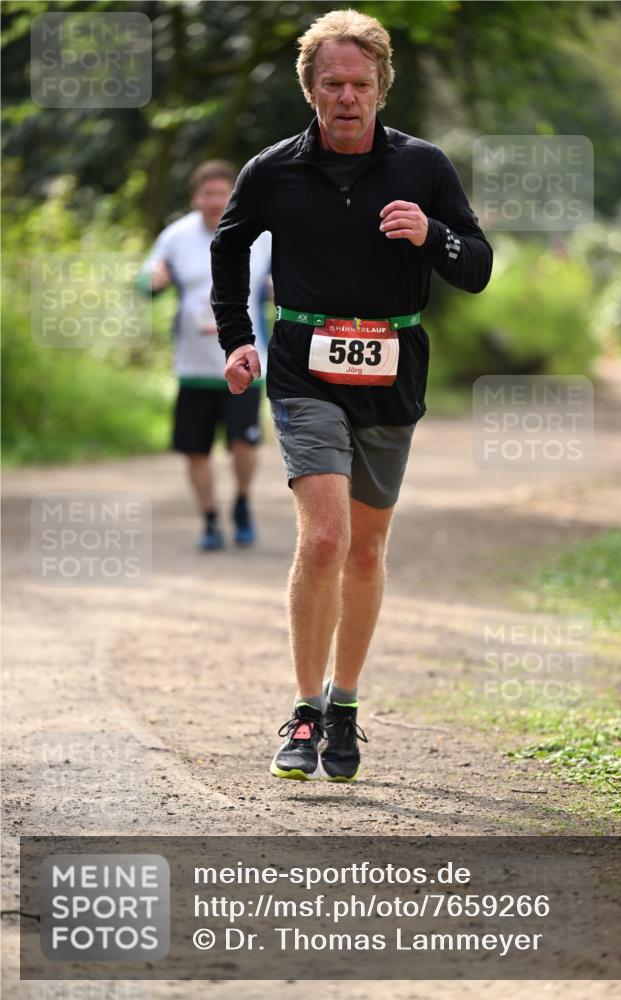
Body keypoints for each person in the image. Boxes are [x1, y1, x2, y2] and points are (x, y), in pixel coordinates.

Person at [211, 10, 492, 780]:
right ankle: (302, 714)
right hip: (304, 370)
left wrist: (431, 235)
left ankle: (344, 706)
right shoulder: (271, 170)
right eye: (331, 83)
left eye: (359, 84)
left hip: (392, 372)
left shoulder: (422, 166)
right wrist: (238, 336)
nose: (346, 97)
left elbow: (476, 264)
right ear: (309, 88)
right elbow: (230, 244)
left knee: (366, 549)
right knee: (327, 537)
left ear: (380, 88)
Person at [140, 160, 271, 550]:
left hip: (247, 363)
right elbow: (148, 277)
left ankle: (243, 503)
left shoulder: (260, 234)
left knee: (243, 445)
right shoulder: (176, 236)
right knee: (196, 451)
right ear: (195, 197)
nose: (215, 201)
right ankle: (211, 520)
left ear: (234, 195)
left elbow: (284, 279)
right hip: (194, 367)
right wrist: (153, 281)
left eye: (222, 193)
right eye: (207, 193)